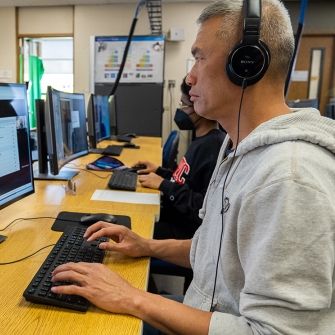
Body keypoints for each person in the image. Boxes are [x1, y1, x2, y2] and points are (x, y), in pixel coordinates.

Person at [51, 0, 335, 334]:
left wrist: (133, 298)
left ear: (246, 64)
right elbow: (214, 253)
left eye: (199, 57)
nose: (190, 75)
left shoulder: (289, 177)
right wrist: (145, 245)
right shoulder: (237, 149)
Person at [134, 77, 225, 239]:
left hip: (182, 234)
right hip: (171, 218)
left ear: (201, 106)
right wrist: (159, 171)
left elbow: (202, 208)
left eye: (184, 105)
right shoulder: (199, 140)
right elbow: (184, 182)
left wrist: (164, 185)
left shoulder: (213, 147)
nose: (180, 110)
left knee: (129, 228)